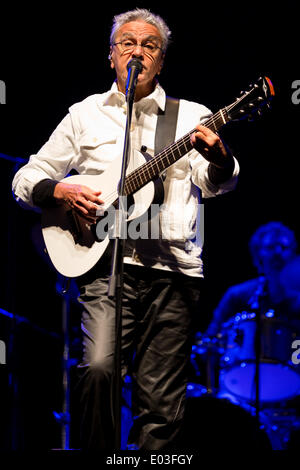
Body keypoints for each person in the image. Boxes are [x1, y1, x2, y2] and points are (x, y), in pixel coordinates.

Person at [12, 8, 239, 450]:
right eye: (128, 43)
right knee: (97, 370)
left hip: (174, 271)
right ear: (111, 55)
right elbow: (25, 178)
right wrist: (59, 192)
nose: (138, 51)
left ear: (161, 60)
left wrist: (219, 157)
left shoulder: (191, 116)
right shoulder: (85, 113)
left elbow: (218, 184)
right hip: (105, 267)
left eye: (150, 45)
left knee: (160, 401)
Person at [206, 221, 298, 336]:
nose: (278, 253)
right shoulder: (236, 295)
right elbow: (211, 338)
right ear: (258, 254)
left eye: (284, 247)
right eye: (271, 247)